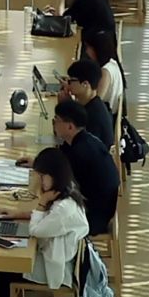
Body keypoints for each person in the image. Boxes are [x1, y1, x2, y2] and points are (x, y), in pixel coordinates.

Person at [0, 147, 91, 297]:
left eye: (43, 176)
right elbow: (46, 218)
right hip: (56, 256)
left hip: (55, 268)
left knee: (0, 267)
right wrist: (17, 214)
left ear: (54, 175)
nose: (40, 181)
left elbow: (36, 229)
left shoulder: (63, 210)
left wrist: (42, 201)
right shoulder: (67, 191)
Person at [52, 99, 120, 234]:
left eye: (56, 120)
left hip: (92, 218)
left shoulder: (80, 153)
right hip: (99, 209)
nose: (54, 124)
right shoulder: (85, 139)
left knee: (46, 222)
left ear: (70, 127)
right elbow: (60, 159)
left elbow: (62, 187)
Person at [61, 60, 118, 150]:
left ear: (85, 84)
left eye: (71, 81)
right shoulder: (92, 104)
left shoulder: (92, 115)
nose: (68, 85)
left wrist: (63, 108)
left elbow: (69, 139)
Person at [82, 30, 126, 111]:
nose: (86, 51)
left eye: (88, 47)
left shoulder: (105, 72)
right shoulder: (113, 63)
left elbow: (96, 104)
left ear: (96, 49)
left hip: (105, 113)